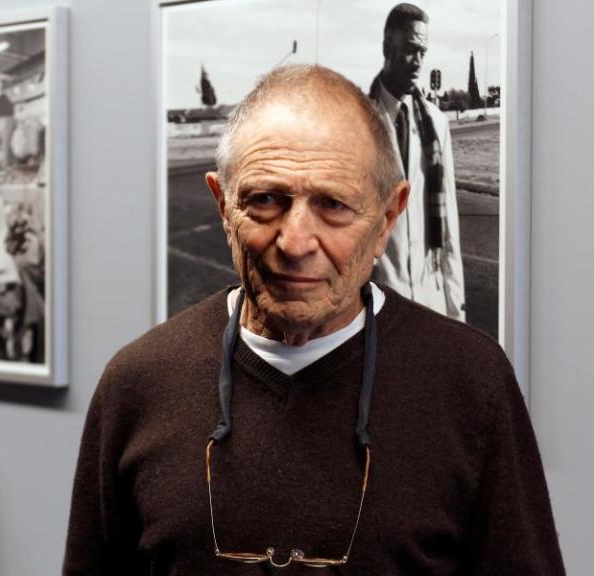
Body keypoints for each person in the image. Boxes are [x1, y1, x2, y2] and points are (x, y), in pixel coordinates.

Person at [63, 65, 564, 574]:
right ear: (222, 205)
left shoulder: (470, 381)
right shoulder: (137, 382)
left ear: (389, 217)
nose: (296, 243)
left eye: (333, 205)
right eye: (264, 201)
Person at [369, 3, 465, 320]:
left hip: (429, 300)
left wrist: (455, 310)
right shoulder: (357, 119)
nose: (418, 62)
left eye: (423, 52)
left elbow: (448, 223)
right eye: (411, 50)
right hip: (373, 303)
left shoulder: (436, 124)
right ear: (387, 45)